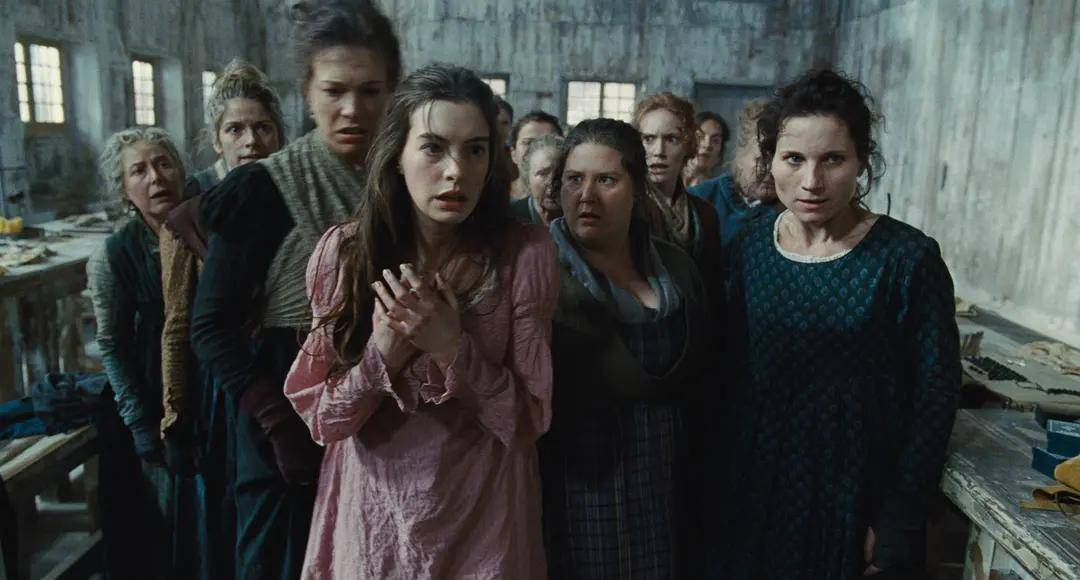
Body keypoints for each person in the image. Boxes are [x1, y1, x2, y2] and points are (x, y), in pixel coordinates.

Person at [284, 63, 556, 579]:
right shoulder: (346, 253)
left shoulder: (523, 255)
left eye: (475, 150)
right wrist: (382, 354)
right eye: (433, 148)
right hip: (375, 524)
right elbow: (324, 419)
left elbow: (527, 421)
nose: (456, 171)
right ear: (397, 155)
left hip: (483, 525)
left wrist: (452, 349)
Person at [714, 69, 961, 578]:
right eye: (794, 159)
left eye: (832, 159)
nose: (811, 182)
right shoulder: (748, 249)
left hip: (854, 491)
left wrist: (898, 514)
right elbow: (730, 376)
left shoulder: (906, 259)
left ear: (862, 161)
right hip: (755, 485)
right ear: (770, 161)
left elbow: (935, 395)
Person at [189, 2, 402, 578]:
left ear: (393, 92)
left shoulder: (406, 182)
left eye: (370, 91)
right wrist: (276, 421)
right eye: (334, 91)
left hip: (383, 429)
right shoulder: (265, 188)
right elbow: (209, 328)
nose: (352, 109)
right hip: (284, 432)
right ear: (307, 93)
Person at [541, 118, 713, 578]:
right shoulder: (539, 275)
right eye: (574, 180)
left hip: (663, 480)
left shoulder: (676, 269)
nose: (586, 196)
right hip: (579, 486)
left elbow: (705, 378)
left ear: (637, 189)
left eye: (606, 180)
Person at [158, 58, 286, 579]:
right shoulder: (193, 220)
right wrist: (174, 414)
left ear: (279, 135)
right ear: (217, 141)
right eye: (235, 129)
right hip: (226, 389)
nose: (251, 140)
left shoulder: (296, 206)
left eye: (262, 127)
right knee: (233, 520)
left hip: (287, 380)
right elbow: (178, 325)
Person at [87, 126, 187, 578]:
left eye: (164, 164)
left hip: (207, 395)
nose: (156, 177)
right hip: (151, 398)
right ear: (123, 189)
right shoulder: (113, 256)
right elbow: (111, 346)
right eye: (139, 171)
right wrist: (139, 424)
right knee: (161, 527)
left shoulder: (202, 232)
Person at [634, 91, 723, 304]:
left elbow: (713, 292)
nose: (659, 151)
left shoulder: (705, 214)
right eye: (648, 139)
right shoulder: (626, 210)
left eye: (671, 139)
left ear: (688, 145)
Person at [688, 99, 780, 247]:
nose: (771, 171)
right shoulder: (698, 198)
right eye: (762, 160)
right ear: (740, 154)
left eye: (782, 160)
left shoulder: (792, 212)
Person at [509, 110, 563, 200]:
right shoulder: (495, 197)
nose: (537, 149)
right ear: (513, 154)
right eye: (528, 142)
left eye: (548, 140)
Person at [511, 134, 564, 225]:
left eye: (560, 174)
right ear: (527, 179)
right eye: (543, 173)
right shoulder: (508, 217)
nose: (551, 182)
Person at [682, 111, 728, 188]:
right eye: (699, 137)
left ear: (720, 154)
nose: (707, 145)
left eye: (715, 140)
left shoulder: (725, 190)